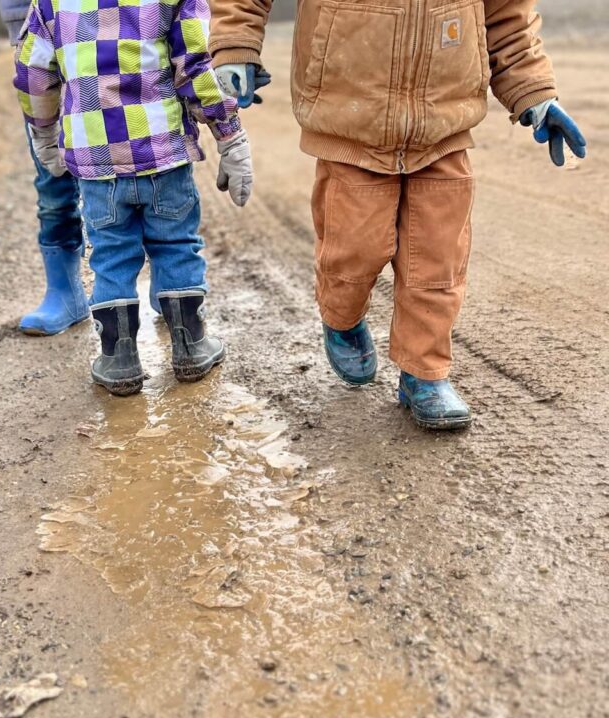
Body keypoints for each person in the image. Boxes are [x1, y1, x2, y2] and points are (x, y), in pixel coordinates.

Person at [209, 0, 587, 430]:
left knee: (436, 262)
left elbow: (507, 19)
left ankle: (424, 374)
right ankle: (342, 317)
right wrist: (235, 44)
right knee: (353, 250)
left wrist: (534, 92)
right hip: (348, 117)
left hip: (444, 125)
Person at [14, 0, 252, 396]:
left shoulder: (50, 4)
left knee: (110, 255)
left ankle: (119, 358)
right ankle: (191, 348)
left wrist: (43, 134)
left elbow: (33, 74)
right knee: (176, 246)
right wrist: (230, 136)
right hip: (163, 154)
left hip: (97, 161)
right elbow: (193, 66)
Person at [0, 0, 91, 336]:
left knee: (137, 151)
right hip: (34, 19)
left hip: (127, 18)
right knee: (52, 176)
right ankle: (65, 292)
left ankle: (168, 279)